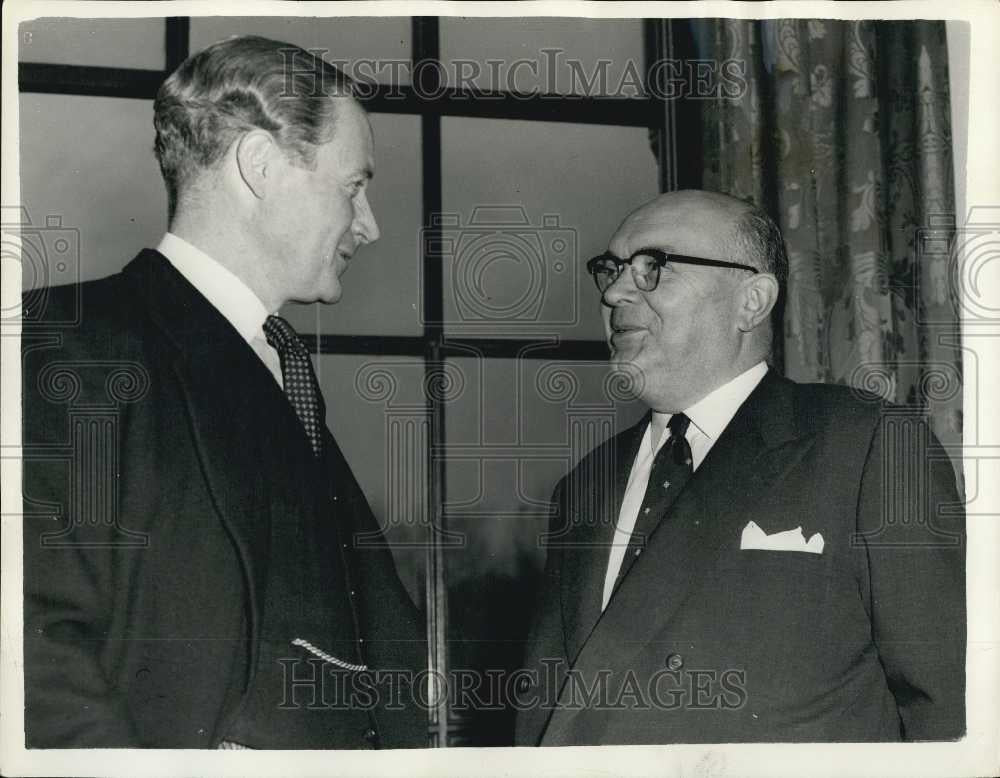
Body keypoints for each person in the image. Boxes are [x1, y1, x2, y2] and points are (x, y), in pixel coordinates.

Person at [22, 36, 425, 749]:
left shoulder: (280, 370)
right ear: (260, 166)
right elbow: (30, 651)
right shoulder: (62, 343)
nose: (370, 225)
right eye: (354, 186)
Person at [515, 190, 965, 745]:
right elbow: (544, 717)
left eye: (652, 267)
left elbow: (944, 709)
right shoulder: (582, 487)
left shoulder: (868, 444)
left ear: (752, 300)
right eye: (611, 269)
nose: (612, 292)